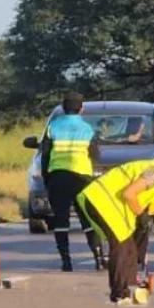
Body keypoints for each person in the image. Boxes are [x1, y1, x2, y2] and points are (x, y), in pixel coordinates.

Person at [76, 159, 154, 305]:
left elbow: (146, 215)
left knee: (130, 250)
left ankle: (130, 289)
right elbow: (129, 194)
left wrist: (144, 221)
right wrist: (141, 215)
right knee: (122, 247)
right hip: (100, 201)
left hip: (106, 206)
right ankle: (119, 294)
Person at [39, 91, 104, 272]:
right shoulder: (87, 129)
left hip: (58, 177)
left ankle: (66, 262)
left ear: (62, 108)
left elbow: (45, 155)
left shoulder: (53, 127)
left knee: (61, 221)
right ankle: (99, 258)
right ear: (81, 109)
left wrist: (47, 178)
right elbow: (96, 156)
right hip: (82, 178)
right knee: (88, 219)